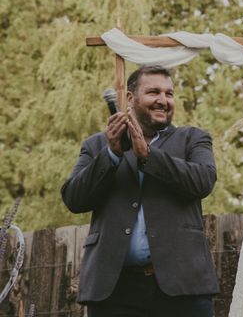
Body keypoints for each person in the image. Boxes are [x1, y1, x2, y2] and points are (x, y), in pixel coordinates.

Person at [61, 65, 218, 317]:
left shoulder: (193, 138)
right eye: (154, 92)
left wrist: (148, 155)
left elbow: (203, 181)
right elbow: (74, 199)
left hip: (183, 287)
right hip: (114, 290)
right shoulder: (96, 145)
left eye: (169, 93)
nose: (163, 100)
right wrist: (111, 154)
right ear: (131, 99)